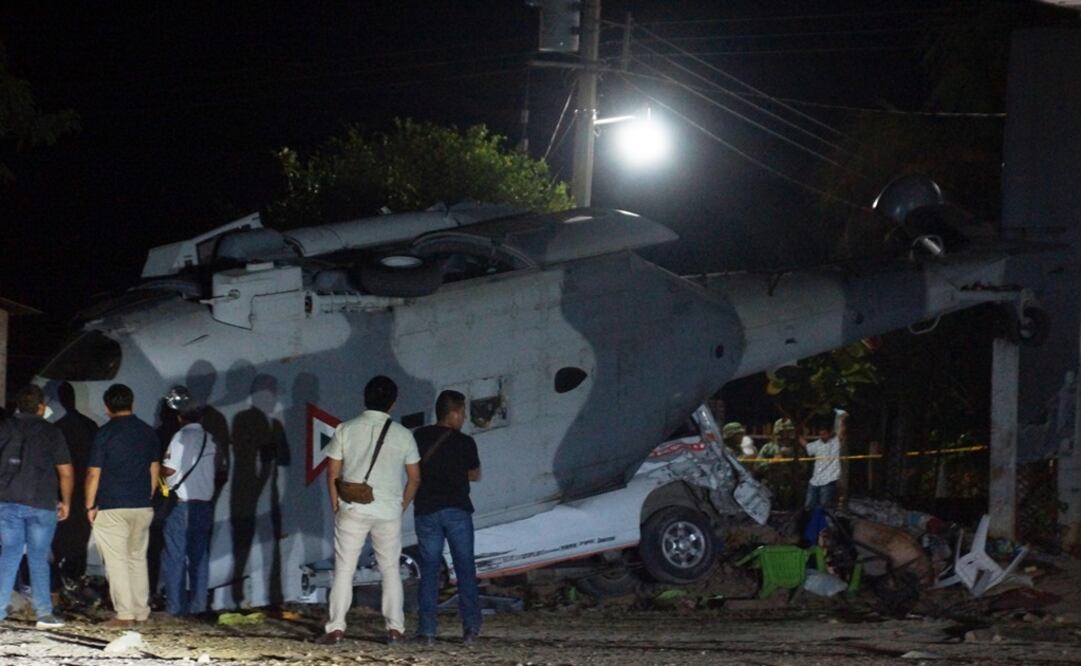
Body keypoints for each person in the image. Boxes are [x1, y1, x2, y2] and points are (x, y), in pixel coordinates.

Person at [317, 376, 421, 646]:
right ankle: (395, 629)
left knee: (344, 569)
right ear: (393, 403)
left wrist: (336, 504)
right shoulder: (404, 435)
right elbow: (415, 478)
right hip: (388, 511)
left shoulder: (345, 429)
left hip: (352, 508)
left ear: (364, 398)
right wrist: (401, 505)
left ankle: (336, 628)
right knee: (390, 569)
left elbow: (332, 473)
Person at [85, 384, 160, 627]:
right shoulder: (147, 432)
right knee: (137, 558)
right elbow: (154, 468)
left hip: (112, 506)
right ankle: (141, 611)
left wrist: (89, 505)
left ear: (107, 407)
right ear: (132, 403)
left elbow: (93, 473)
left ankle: (125, 614)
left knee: (116, 561)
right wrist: (148, 496)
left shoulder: (105, 433)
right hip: (142, 505)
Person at [0, 385, 73, 629]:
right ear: (41, 407)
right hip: (42, 502)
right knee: (39, 557)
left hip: (7, 501)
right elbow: (66, 471)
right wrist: (66, 502)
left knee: (9, 554)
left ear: (18, 406)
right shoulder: (52, 432)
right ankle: (44, 613)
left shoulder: (4, 427)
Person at [412, 390, 481, 645]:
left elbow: (412, 468)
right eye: (462, 413)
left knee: (429, 571)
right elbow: (474, 474)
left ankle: (427, 631)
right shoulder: (465, 442)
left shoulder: (419, 436)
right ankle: (470, 629)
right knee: (465, 568)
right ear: (453, 413)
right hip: (457, 509)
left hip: (426, 510)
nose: (463, 418)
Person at [159, 386, 217, 617]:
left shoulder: (180, 437)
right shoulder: (209, 439)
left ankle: (175, 608)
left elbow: (169, 469)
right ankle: (198, 607)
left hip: (182, 505)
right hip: (204, 505)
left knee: (175, 557)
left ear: (179, 417)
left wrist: (155, 474)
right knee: (199, 558)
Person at [52, 382, 98, 579]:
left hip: (62, 489)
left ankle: (58, 577)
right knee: (81, 536)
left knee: (60, 534)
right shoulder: (90, 425)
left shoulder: (57, 427)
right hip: (86, 488)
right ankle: (77, 575)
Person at [800, 410, 847, 511]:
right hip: (815, 480)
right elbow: (806, 445)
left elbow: (841, 432)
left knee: (824, 506)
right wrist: (796, 433)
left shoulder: (834, 443)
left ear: (829, 433)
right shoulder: (816, 444)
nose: (822, 437)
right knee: (808, 505)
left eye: (824, 434)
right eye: (821, 435)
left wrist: (842, 419)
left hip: (829, 479)